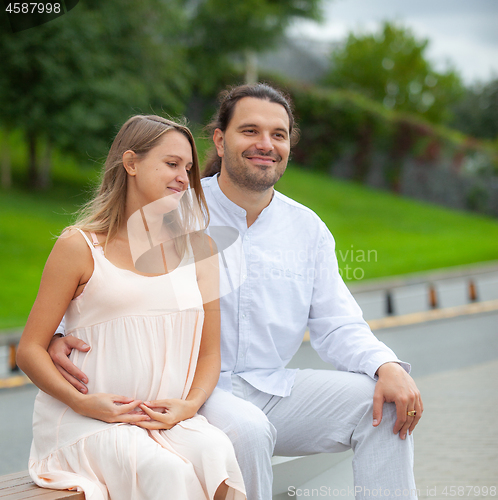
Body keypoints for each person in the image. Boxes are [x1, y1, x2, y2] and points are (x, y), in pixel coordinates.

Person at [49, 84, 423, 500]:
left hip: (275, 389)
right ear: (220, 140)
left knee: (389, 403)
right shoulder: (176, 209)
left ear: (288, 146)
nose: (266, 144)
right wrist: (58, 334)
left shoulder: (307, 230)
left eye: (278, 135)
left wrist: (385, 365)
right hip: (197, 392)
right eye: (250, 131)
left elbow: (337, 324)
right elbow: (110, 281)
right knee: (247, 429)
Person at [16, 115, 246, 500]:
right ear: (131, 163)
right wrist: (84, 403)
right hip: (86, 421)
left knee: (217, 453)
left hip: (164, 420)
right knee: (164, 470)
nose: (183, 178)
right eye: (172, 164)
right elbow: (29, 349)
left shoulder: (200, 251)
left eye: (188, 169)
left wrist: (188, 407)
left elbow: (209, 352)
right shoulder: (80, 246)